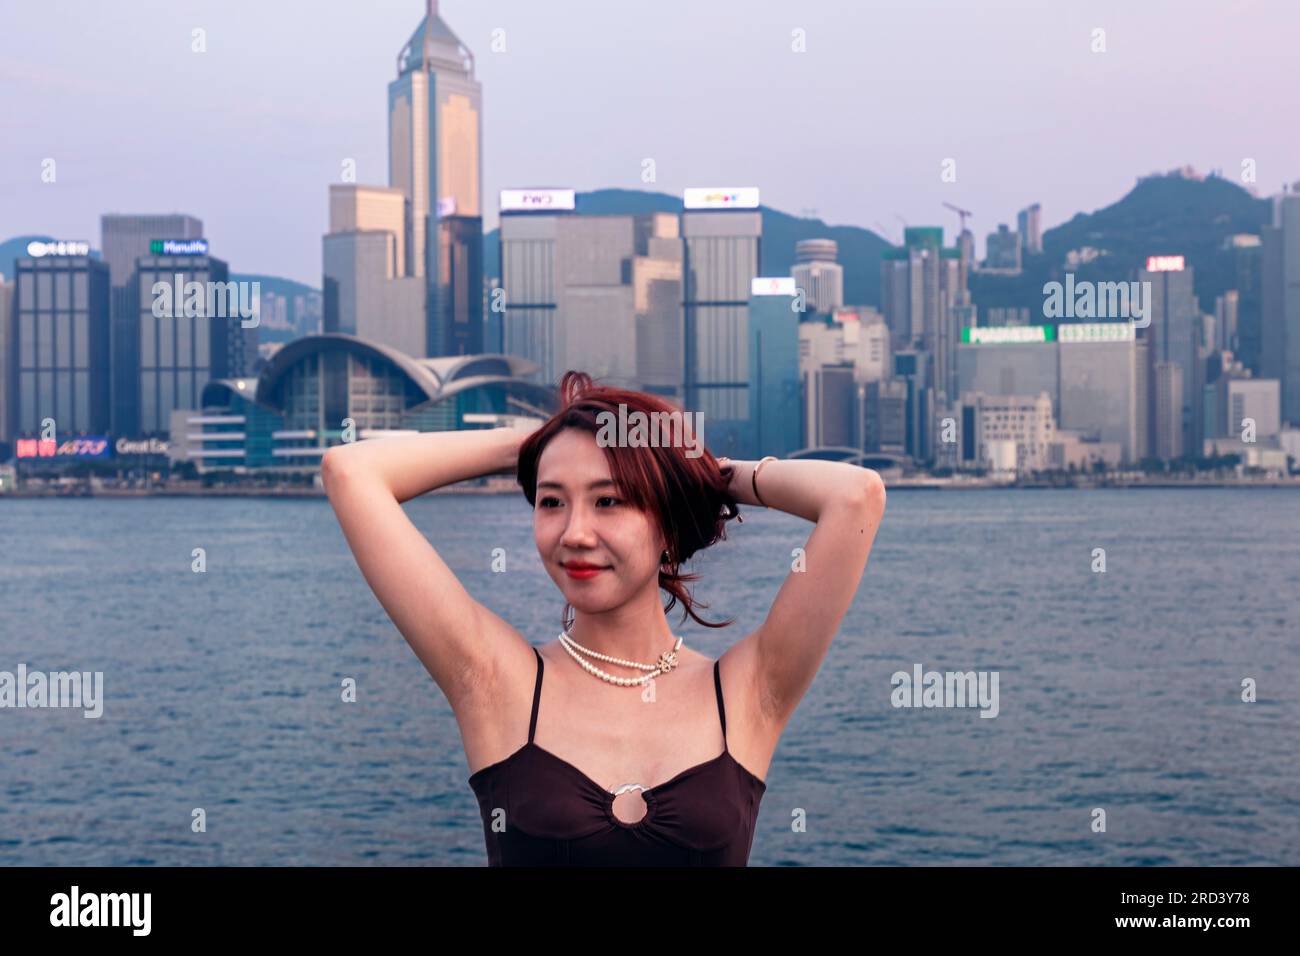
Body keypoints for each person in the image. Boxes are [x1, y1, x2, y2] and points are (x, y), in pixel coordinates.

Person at [322, 370, 886, 865]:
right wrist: (543, 441)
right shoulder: (494, 681)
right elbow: (351, 471)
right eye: (551, 501)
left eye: (608, 500)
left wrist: (703, 472)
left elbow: (856, 496)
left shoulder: (747, 691)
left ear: (666, 521)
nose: (575, 533)